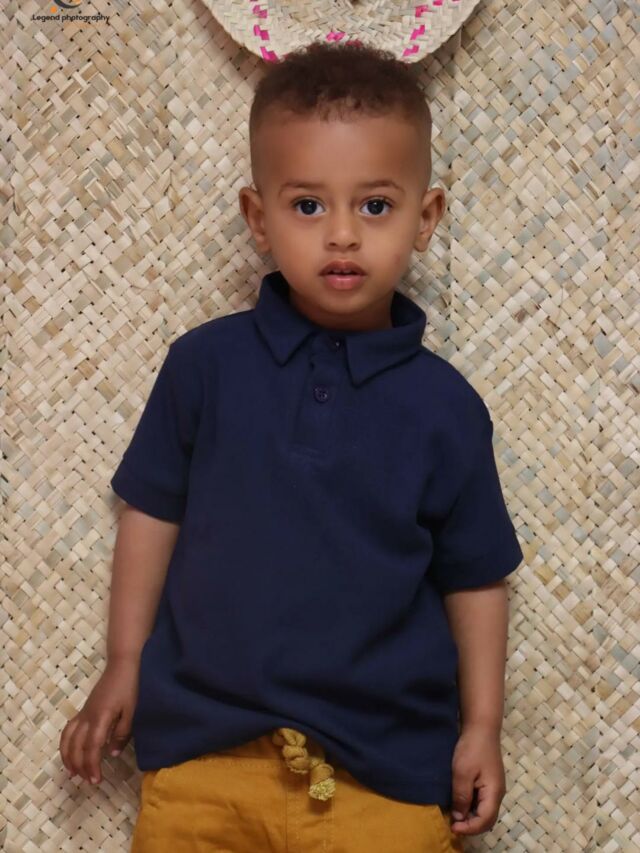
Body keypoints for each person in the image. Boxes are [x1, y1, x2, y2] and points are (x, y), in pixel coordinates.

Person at [59, 41, 524, 852]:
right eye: (307, 205)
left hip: (385, 776)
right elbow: (151, 515)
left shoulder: (447, 408)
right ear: (258, 219)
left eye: (374, 206)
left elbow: (477, 577)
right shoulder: (204, 366)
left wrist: (483, 724)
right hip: (205, 761)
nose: (341, 234)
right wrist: (124, 660)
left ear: (426, 219)